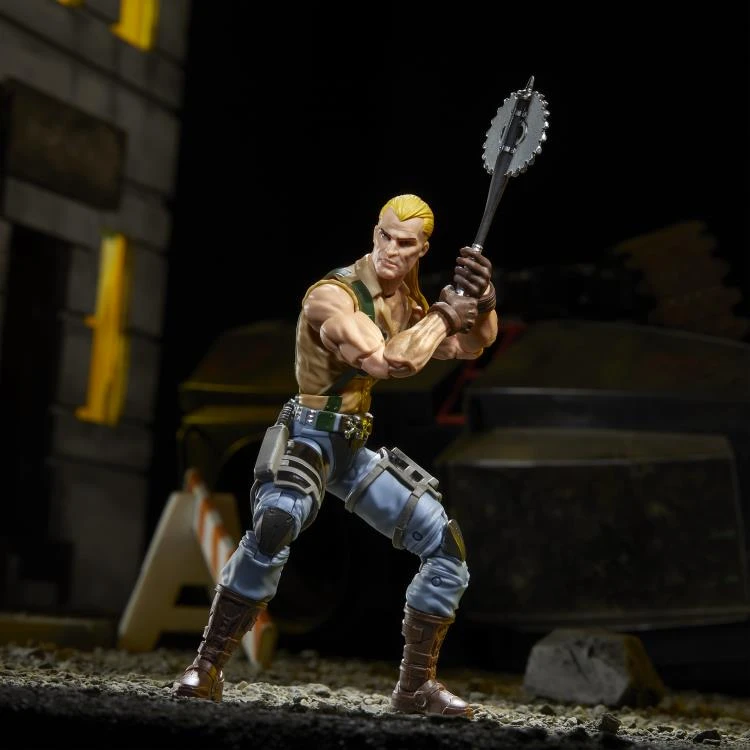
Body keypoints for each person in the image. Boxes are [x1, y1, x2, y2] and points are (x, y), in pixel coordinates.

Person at [171, 193, 498, 718]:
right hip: (309, 436)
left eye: (405, 243)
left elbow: (471, 346)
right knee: (276, 523)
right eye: (385, 235)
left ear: (422, 250)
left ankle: (415, 689)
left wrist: (482, 300)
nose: (391, 249)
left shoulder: (405, 303)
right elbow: (389, 361)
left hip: (351, 446)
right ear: (374, 231)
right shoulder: (332, 296)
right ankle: (206, 667)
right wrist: (443, 313)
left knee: (445, 546)